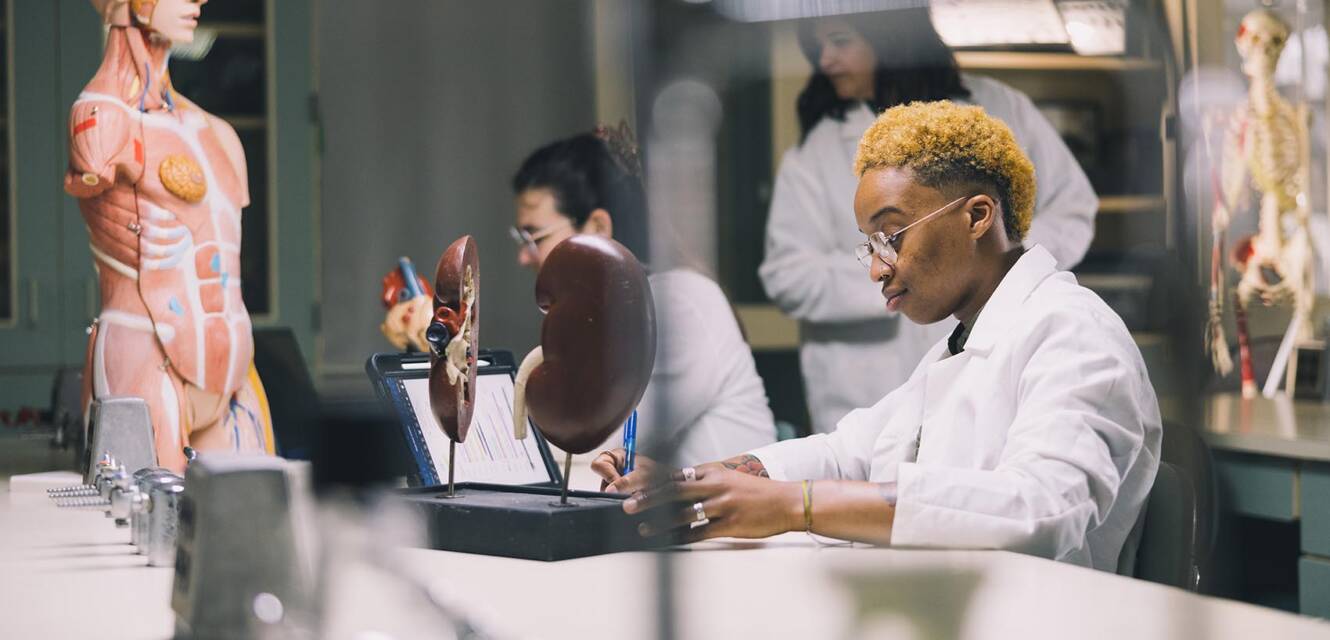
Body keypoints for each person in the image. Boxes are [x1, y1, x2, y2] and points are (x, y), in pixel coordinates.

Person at [595, 101, 1161, 572]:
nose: (877, 268)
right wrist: (696, 481)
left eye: (892, 235)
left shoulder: (1075, 334)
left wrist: (799, 505)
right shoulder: (959, 346)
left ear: (978, 215)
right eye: (871, 245)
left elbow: (1040, 509)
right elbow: (847, 451)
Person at [760, 10, 1100, 434]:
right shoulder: (815, 152)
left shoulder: (999, 108)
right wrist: (912, 274)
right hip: (865, 389)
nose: (825, 60)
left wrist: (993, 268)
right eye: (818, 49)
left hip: (992, 359)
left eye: (840, 41)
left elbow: (1072, 208)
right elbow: (788, 275)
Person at [383, 126, 777, 464]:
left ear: (598, 227)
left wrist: (456, 353)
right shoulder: (604, 317)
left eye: (533, 236)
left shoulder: (683, 305)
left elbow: (583, 438)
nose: (524, 256)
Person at [68, 0, 273, 473]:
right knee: (147, 534)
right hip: (147, 355)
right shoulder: (102, 118)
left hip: (233, 369)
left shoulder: (215, 131)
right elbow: (92, 165)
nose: (197, 0)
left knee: (251, 535)